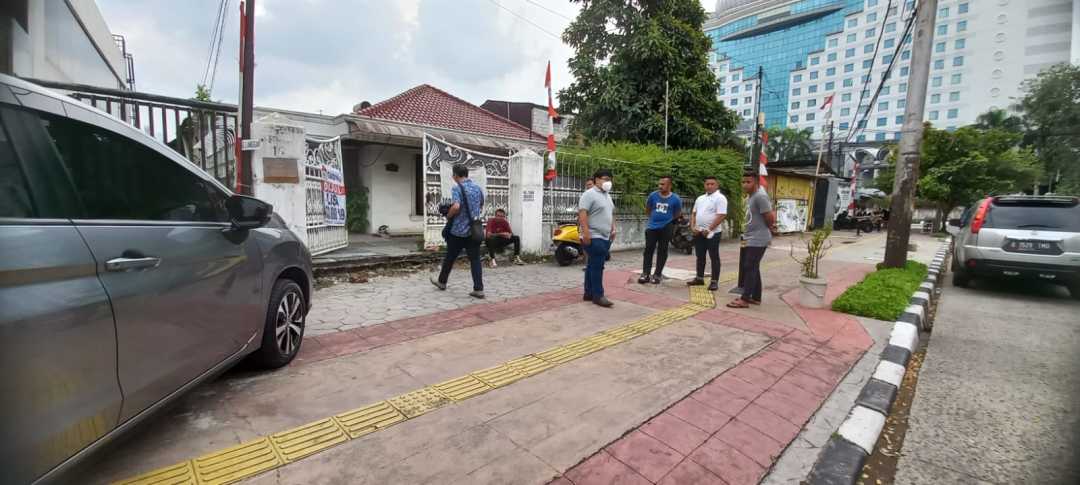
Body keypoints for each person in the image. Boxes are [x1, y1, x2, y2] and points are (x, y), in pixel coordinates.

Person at [431, 164, 485, 299]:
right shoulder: (478, 188)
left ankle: (442, 282)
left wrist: (449, 215)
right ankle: (478, 289)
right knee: (475, 260)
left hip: (458, 231)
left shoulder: (457, 188)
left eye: (453, 175)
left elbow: (456, 207)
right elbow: (481, 205)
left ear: (455, 175)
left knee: (450, 257)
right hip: (473, 231)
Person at [728, 170, 777, 308]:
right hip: (748, 237)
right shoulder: (750, 196)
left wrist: (770, 228)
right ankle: (756, 297)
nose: (745, 185)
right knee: (753, 267)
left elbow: (769, 216)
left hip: (758, 238)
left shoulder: (760, 196)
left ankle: (745, 299)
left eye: (748, 182)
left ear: (756, 182)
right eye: (743, 182)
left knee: (749, 266)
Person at [579, 169, 615, 308]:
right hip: (594, 235)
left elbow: (610, 213)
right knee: (598, 266)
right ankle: (598, 295)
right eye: (605, 179)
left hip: (605, 236)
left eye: (610, 179)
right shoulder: (589, 194)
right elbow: (582, 214)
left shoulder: (607, 195)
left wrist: (613, 228)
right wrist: (586, 233)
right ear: (596, 179)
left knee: (592, 265)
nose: (608, 182)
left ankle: (588, 293)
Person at [687, 176, 728, 291]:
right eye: (707, 184)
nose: (709, 186)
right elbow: (694, 213)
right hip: (699, 232)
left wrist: (709, 229)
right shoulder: (700, 198)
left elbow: (722, 215)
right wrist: (693, 227)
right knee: (700, 256)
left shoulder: (720, 198)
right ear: (704, 185)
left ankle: (714, 281)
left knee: (714, 257)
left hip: (712, 233)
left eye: (712, 184)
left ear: (717, 185)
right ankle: (699, 278)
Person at [639, 176, 682, 284]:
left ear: (669, 185)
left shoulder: (676, 199)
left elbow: (677, 213)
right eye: (659, 184)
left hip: (666, 227)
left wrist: (667, 221)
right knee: (648, 249)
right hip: (652, 227)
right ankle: (645, 274)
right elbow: (648, 209)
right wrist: (654, 220)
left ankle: (657, 274)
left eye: (663, 184)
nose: (660, 186)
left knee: (662, 250)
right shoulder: (653, 195)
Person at [580, 177, 594, 271]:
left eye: (590, 184)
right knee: (585, 245)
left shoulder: (598, 196)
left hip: (594, 226)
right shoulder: (585, 196)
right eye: (587, 185)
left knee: (593, 246)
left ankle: (593, 264)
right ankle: (587, 264)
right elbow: (581, 210)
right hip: (585, 224)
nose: (588, 186)